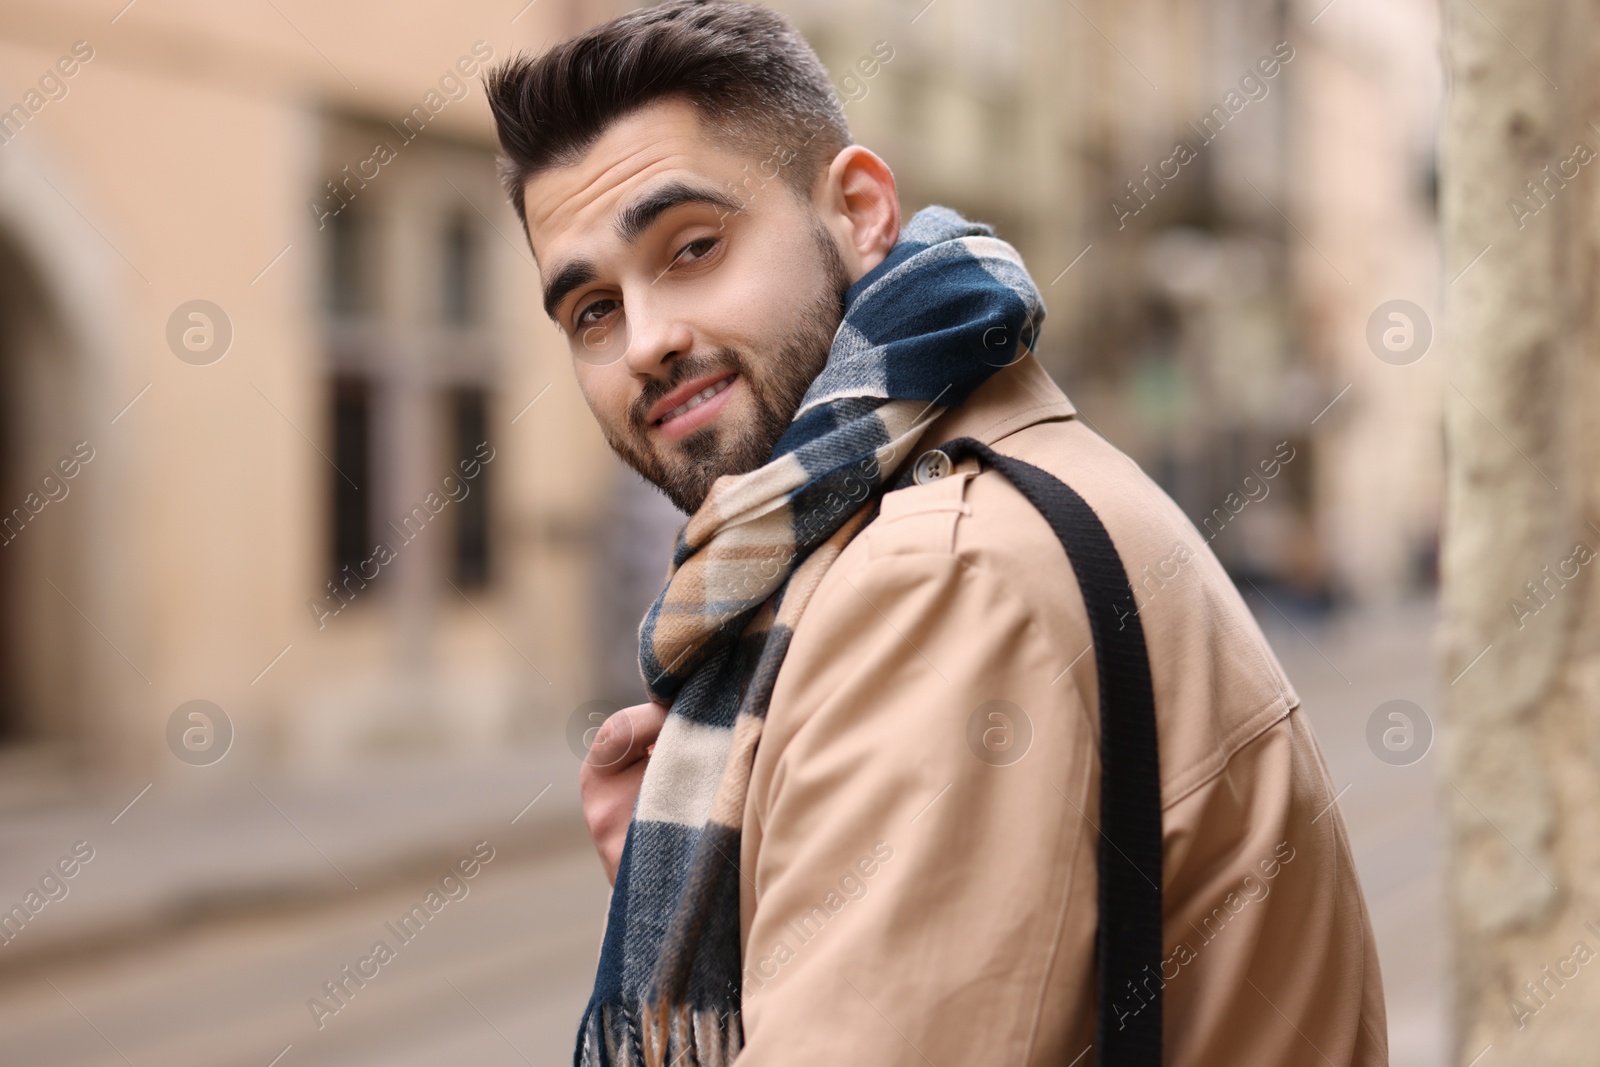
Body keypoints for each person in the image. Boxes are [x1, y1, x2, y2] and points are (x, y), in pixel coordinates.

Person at [484, 2, 1387, 1064]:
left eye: (692, 248)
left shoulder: (935, 576)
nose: (645, 340)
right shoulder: (947, 498)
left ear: (860, 210)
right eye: (591, 310)